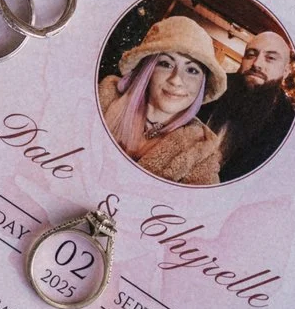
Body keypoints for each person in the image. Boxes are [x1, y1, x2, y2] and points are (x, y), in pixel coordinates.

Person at [97, 14, 228, 186]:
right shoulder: (103, 97)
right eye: (166, 64)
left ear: (201, 85)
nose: (176, 80)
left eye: (192, 70)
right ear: (147, 70)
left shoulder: (202, 150)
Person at [202, 29, 295, 181]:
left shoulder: (288, 126)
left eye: (271, 58)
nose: (257, 64)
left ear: (285, 71)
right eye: (251, 54)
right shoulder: (214, 86)